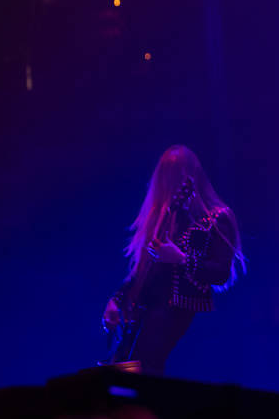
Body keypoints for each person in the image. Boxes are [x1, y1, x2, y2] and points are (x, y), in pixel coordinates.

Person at [102, 145, 244, 375]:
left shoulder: (217, 218)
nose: (171, 181)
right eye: (166, 175)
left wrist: (180, 259)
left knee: (145, 364)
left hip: (178, 305)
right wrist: (117, 299)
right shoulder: (160, 217)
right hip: (143, 306)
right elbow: (141, 270)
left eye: (177, 173)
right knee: (122, 368)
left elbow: (220, 272)